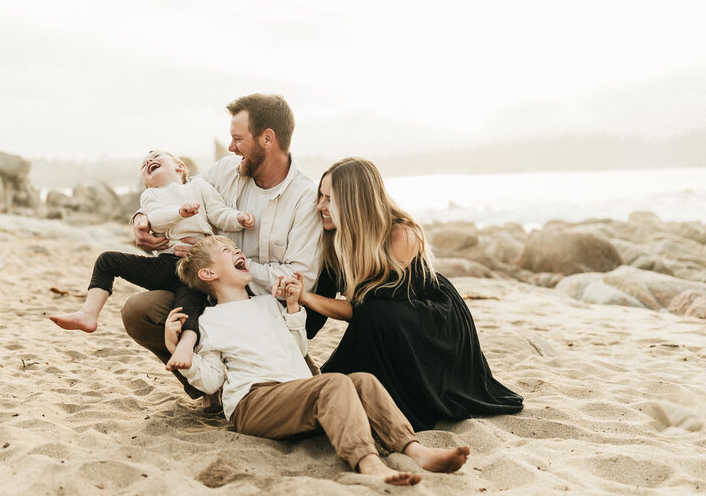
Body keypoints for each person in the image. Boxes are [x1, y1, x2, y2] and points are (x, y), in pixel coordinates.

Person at [167, 235, 470, 486]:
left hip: (294, 393)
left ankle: (413, 449)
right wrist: (180, 353)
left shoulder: (266, 304)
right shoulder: (209, 321)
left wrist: (294, 308)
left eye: (236, 247)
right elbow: (212, 380)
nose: (237, 250)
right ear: (208, 274)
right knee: (334, 383)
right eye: (225, 250)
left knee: (363, 380)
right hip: (254, 402)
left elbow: (297, 349)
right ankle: (367, 464)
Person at [297, 157, 524, 431]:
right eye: (320, 196)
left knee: (375, 316)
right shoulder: (333, 238)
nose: (320, 205)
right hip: (384, 320)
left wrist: (306, 297)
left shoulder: (400, 234)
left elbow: (362, 310)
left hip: (431, 318)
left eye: (329, 198)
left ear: (353, 202)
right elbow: (316, 314)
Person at [121, 94, 323, 396]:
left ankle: (287, 362)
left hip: (271, 311)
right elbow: (172, 192)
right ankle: (208, 391)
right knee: (139, 311)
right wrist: (141, 222)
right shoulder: (227, 170)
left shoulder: (304, 197)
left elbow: (298, 277)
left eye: (237, 139)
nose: (231, 147)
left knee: (301, 390)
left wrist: (223, 264)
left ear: (267, 139)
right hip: (212, 299)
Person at [49, 150, 254, 369]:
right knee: (107, 260)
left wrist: (238, 218)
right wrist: (179, 212)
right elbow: (155, 220)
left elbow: (219, 212)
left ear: (180, 167)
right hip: (165, 263)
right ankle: (89, 314)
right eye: (144, 164)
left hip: (197, 266)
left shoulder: (199, 188)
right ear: (146, 183)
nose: (149, 161)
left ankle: (185, 347)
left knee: (186, 309)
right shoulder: (150, 196)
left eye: (156, 156)